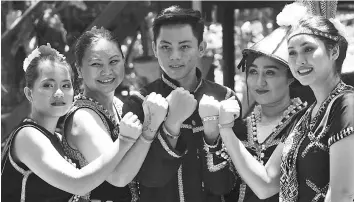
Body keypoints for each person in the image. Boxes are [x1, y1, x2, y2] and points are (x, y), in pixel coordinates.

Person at [217, 6, 354, 202]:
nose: (300, 60)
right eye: (292, 53)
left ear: (334, 51)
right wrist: (225, 129)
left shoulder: (346, 104)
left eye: (308, 49)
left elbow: (342, 194)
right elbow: (266, 184)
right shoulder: (305, 117)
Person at [122, 5, 239, 202]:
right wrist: (171, 125)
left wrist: (212, 135)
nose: (174, 56)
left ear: (201, 48)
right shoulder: (139, 103)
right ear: (154, 49)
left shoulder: (225, 99)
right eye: (165, 47)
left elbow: (223, 185)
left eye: (184, 46)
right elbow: (150, 178)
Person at [1, 44, 143, 202]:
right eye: (47, 85)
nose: (59, 93)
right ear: (29, 93)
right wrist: (124, 141)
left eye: (65, 85)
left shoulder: (57, 139)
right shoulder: (27, 136)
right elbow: (78, 184)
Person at [62, 27, 168, 202]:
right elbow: (117, 177)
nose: (107, 71)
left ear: (124, 62)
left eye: (114, 61)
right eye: (96, 64)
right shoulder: (82, 118)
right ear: (79, 69)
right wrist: (150, 128)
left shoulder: (119, 106)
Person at [222, 22, 309, 202]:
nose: (259, 82)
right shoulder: (240, 125)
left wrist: (224, 130)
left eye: (270, 73)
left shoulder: (305, 122)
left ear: (291, 77)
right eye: (253, 72)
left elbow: (266, 187)